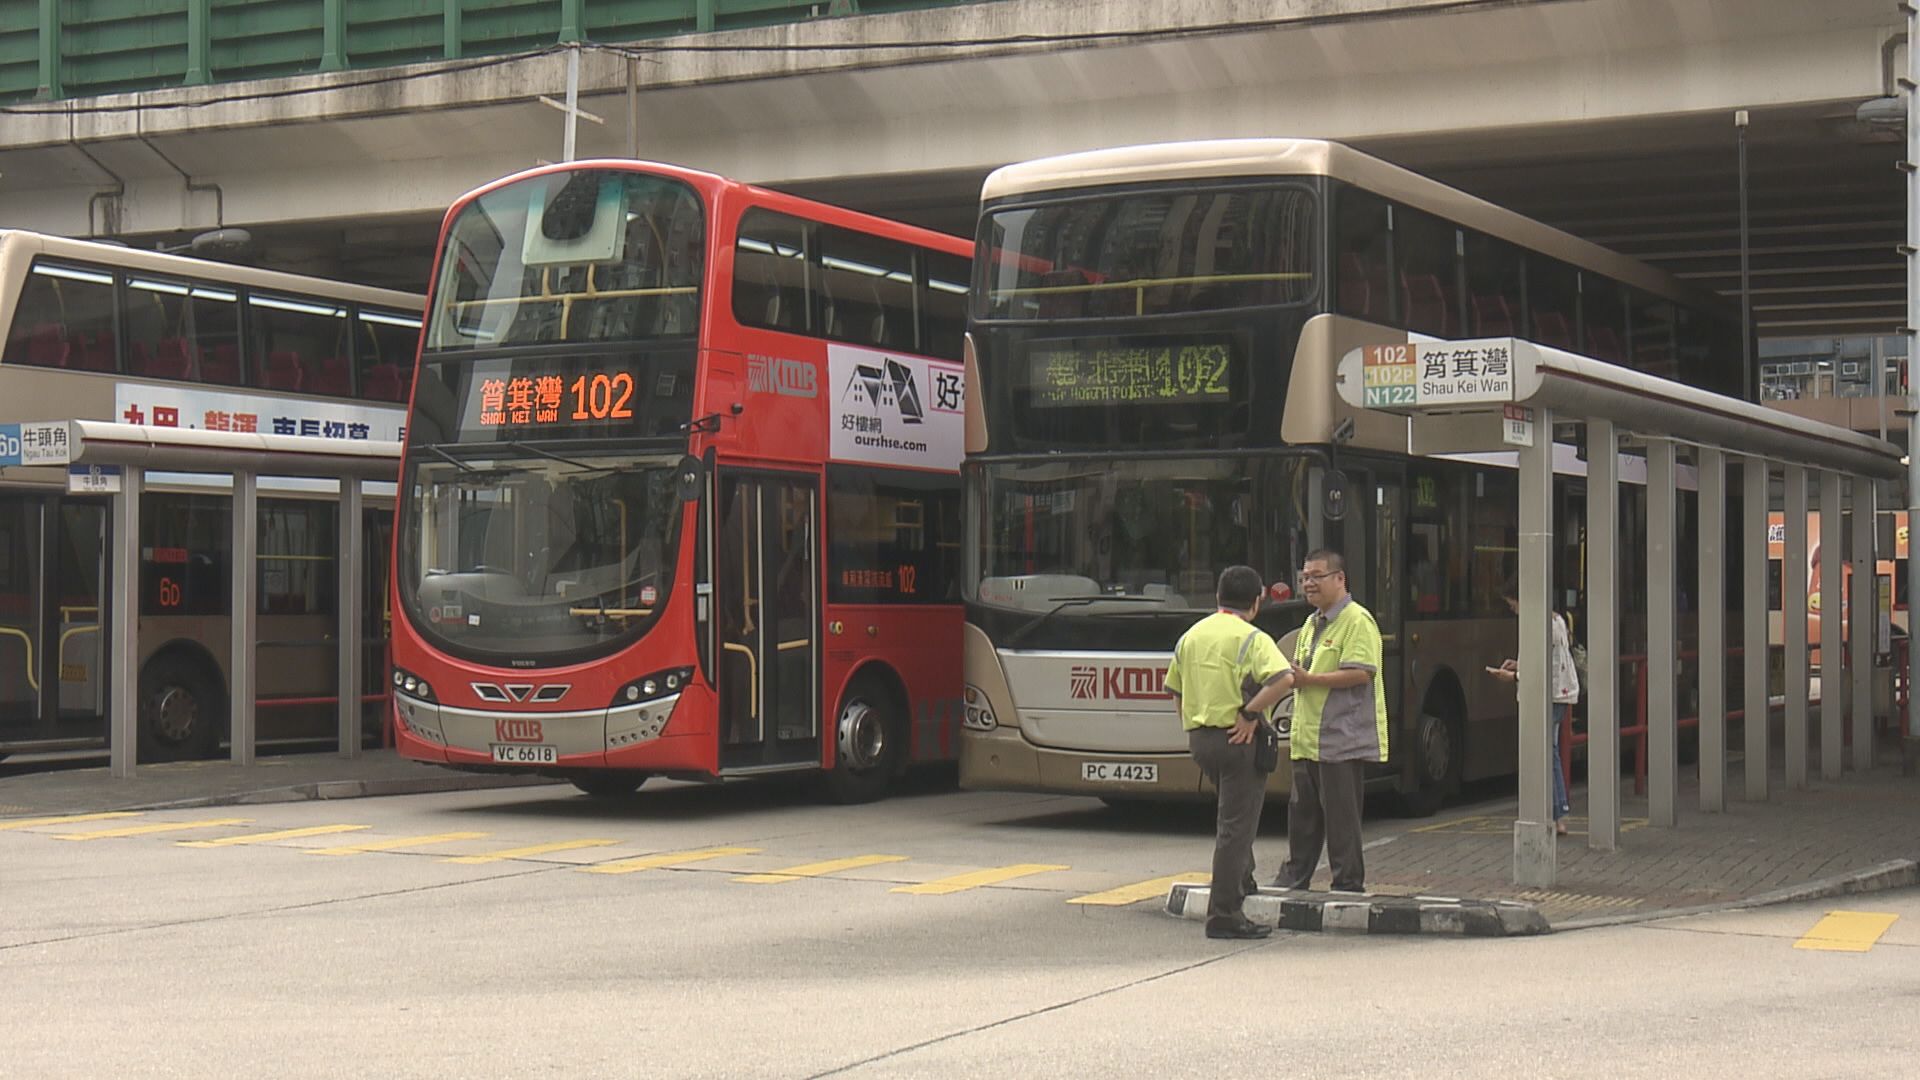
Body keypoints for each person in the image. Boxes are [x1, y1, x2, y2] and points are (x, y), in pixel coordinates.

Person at [1165, 564, 1294, 940]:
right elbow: (1283, 678)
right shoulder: (1251, 637)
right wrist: (1250, 714)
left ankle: (1244, 878)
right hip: (1238, 740)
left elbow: (1174, 688)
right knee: (1236, 827)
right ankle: (1224, 913)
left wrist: (1192, 724)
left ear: (1218, 597)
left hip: (1202, 740)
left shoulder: (1192, 635)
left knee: (1233, 816)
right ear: (1257, 602)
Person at [1273, 549, 1386, 894]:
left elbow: (1359, 674)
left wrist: (1309, 680)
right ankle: (1295, 879)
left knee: (1341, 818)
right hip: (1308, 737)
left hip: (1341, 737)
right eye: (1305, 576)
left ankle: (1347, 883)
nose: (1309, 583)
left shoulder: (1357, 620)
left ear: (1340, 579)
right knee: (1303, 816)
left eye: (1317, 576)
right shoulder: (1311, 623)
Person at [1488, 582, 1580, 835]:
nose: (1513, 609)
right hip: (1560, 692)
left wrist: (1514, 676)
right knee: (1550, 752)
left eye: (1513, 604)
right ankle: (1557, 812)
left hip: (1549, 695)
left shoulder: (1541, 626)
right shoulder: (1557, 620)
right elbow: (1548, 659)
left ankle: (1558, 813)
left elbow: (1540, 670)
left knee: (1547, 754)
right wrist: (1519, 665)